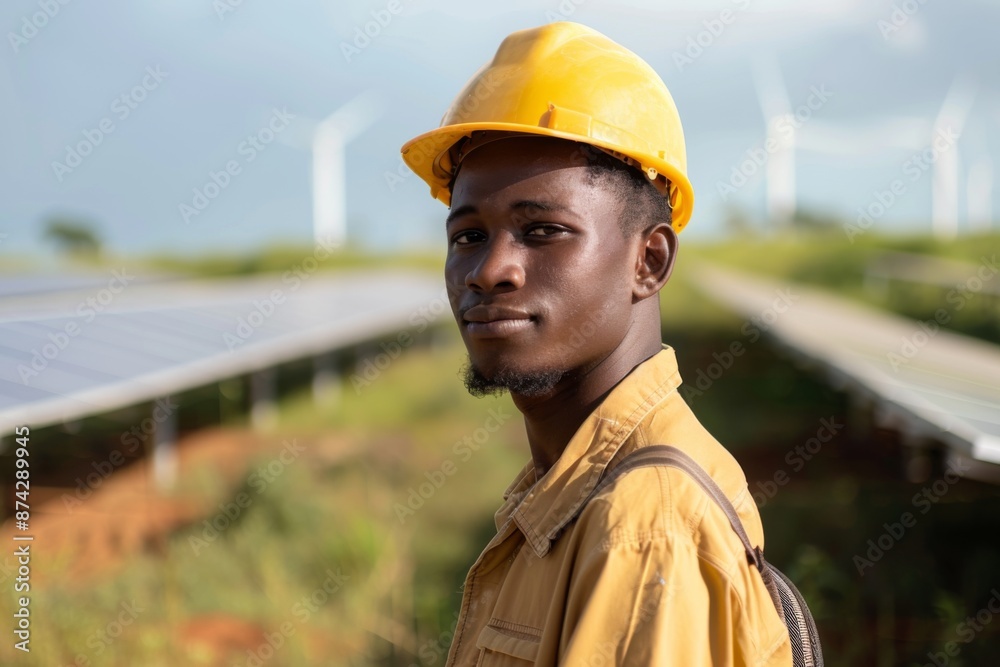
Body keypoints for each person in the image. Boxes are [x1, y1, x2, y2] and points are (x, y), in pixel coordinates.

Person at [400, 21, 792, 666]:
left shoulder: (643, 525)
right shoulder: (567, 485)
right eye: (468, 234)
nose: (490, 269)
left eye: (544, 230)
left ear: (650, 261)